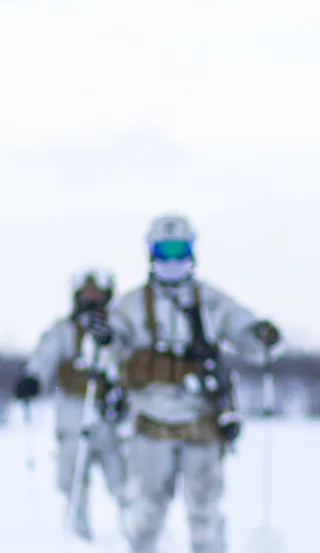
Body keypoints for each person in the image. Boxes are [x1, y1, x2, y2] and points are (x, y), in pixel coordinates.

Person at [91, 212, 282, 553]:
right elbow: (114, 344)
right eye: (165, 251)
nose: (172, 260)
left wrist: (261, 334)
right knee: (147, 512)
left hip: (201, 422)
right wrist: (104, 336)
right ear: (151, 254)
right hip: (150, 423)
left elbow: (243, 329)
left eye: (179, 250)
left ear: (192, 252)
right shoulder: (132, 304)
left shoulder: (210, 301)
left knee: (205, 513)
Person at [13, 268, 130, 541]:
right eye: (86, 293)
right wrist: (31, 379)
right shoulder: (62, 330)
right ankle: (78, 538)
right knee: (73, 479)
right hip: (72, 415)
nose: (92, 298)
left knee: (122, 480)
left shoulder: (119, 327)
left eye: (97, 293)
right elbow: (44, 357)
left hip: (109, 416)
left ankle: (136, 535)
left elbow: (127, 358)